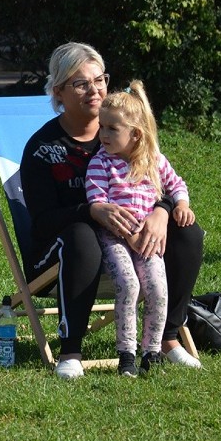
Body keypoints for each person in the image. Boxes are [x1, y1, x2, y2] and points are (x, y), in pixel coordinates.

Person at [20, 42, 204, 380]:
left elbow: (158, 181)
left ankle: (168, 339)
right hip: (62, 253)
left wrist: (162, 211)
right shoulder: (43, 149)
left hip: (132, 248)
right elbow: (43, 222)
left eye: (100, 79)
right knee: (81, 234)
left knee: (188, 232)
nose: (95, 90)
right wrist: (91, 211)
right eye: (81, 83)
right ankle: (71, 350)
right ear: (59, 92)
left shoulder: (126, 135)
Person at [85, 80, 196, 376]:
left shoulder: (153, 161)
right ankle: (127, 354)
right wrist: (129, 235)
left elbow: (176, 185)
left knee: (158, 288)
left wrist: (181, 205)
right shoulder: (101, 163)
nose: (103, 134)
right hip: (114, 238)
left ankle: (152, 351)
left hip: (147, 240)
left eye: (112, 129)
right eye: (102, 126)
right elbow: (96, 201)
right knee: (128, 284)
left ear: (135, 135)